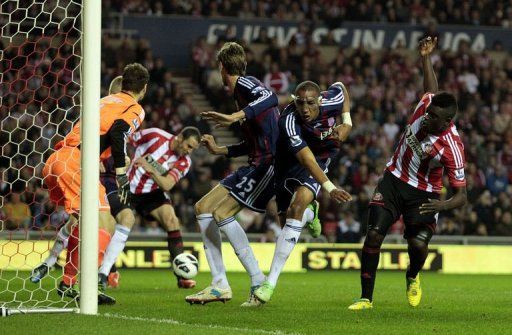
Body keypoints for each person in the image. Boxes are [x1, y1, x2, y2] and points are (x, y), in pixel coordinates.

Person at [348, 37, 467, 310]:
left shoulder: (452, 147)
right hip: (394, 179)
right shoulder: (427, 106)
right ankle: (366, 298)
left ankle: (412, 275)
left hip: (424, 194)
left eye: (434, 117)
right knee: (374, 234)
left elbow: (462, 195)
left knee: (417, 244)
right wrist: (426, 57)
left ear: (447, 122)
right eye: (429, 111)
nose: (427, 117)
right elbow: (430, 89)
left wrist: (443, 204)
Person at [30, 63, 149, 304]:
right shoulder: (135, 107)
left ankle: (67, 282)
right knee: (105, 220)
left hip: (57, 160)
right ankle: (91, 286)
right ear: (144, 88)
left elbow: (102, 136)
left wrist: (114, 156)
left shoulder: (103, 102)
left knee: (81, 223)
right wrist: (121, 172)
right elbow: (118, 133)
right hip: (76, 163)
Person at [185, 42, 281, 307]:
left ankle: (258, 280)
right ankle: (219, 284)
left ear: (222, 67)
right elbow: (251, 144)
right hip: (255, 160)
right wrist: (220, 150)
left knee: (222, 213)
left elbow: (272, 97)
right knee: (203, 207)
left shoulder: (245, 84)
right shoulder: (242, 94)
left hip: (268, 164)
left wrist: (234, 116)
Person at [254, 80, 353, 303]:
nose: (305, 109)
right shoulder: (288, 120)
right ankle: (311, 212)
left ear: (319, 100)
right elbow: (305, 159)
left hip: (321, 157)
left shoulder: (331, 99)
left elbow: (341, 87)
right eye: (300, 103)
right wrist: (330, 187)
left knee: (296, 208)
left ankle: (270, 283)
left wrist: (347, 123)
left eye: (310, 103)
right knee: (287, 224)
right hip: (290, 162)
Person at [98, 126, 202, 291]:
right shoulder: (155, 135)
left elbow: (167, 184)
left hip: (151, 192)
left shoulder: (184, 162)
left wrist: (152, 170)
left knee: (172, 220)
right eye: (188, 146)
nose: (189, 151)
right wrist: (117, 159)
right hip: (125, 186)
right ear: (180, 137)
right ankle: (109, 271)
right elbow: (125, 140)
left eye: (193, 149)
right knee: (111, 225)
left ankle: (182, 276)